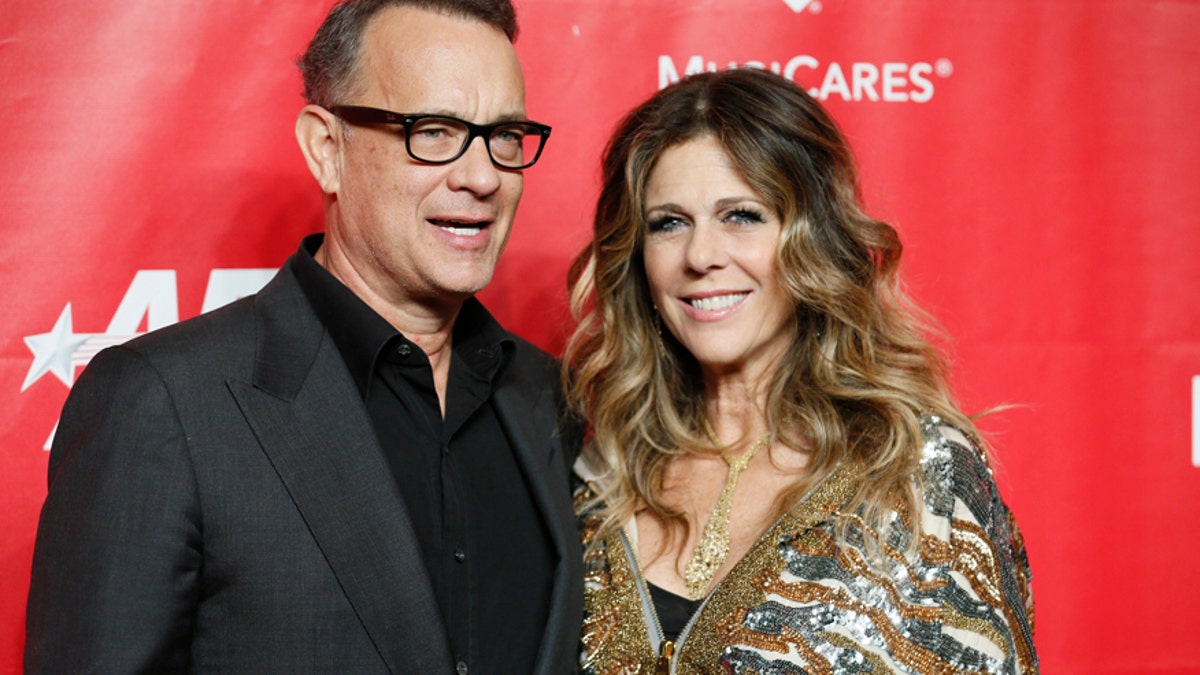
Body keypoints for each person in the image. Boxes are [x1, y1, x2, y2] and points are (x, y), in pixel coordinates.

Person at [25, 0, 582, 672]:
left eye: (504, 135)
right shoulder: (164, 403)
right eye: (433, 131)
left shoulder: (552, 399)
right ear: (326, 148)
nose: (483, 175)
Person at [564, 68, 1037, 673]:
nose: (701, 256)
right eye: (669, 223)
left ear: (812, 239)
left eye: (741, 215)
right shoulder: (595, 474)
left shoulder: (917, 473)